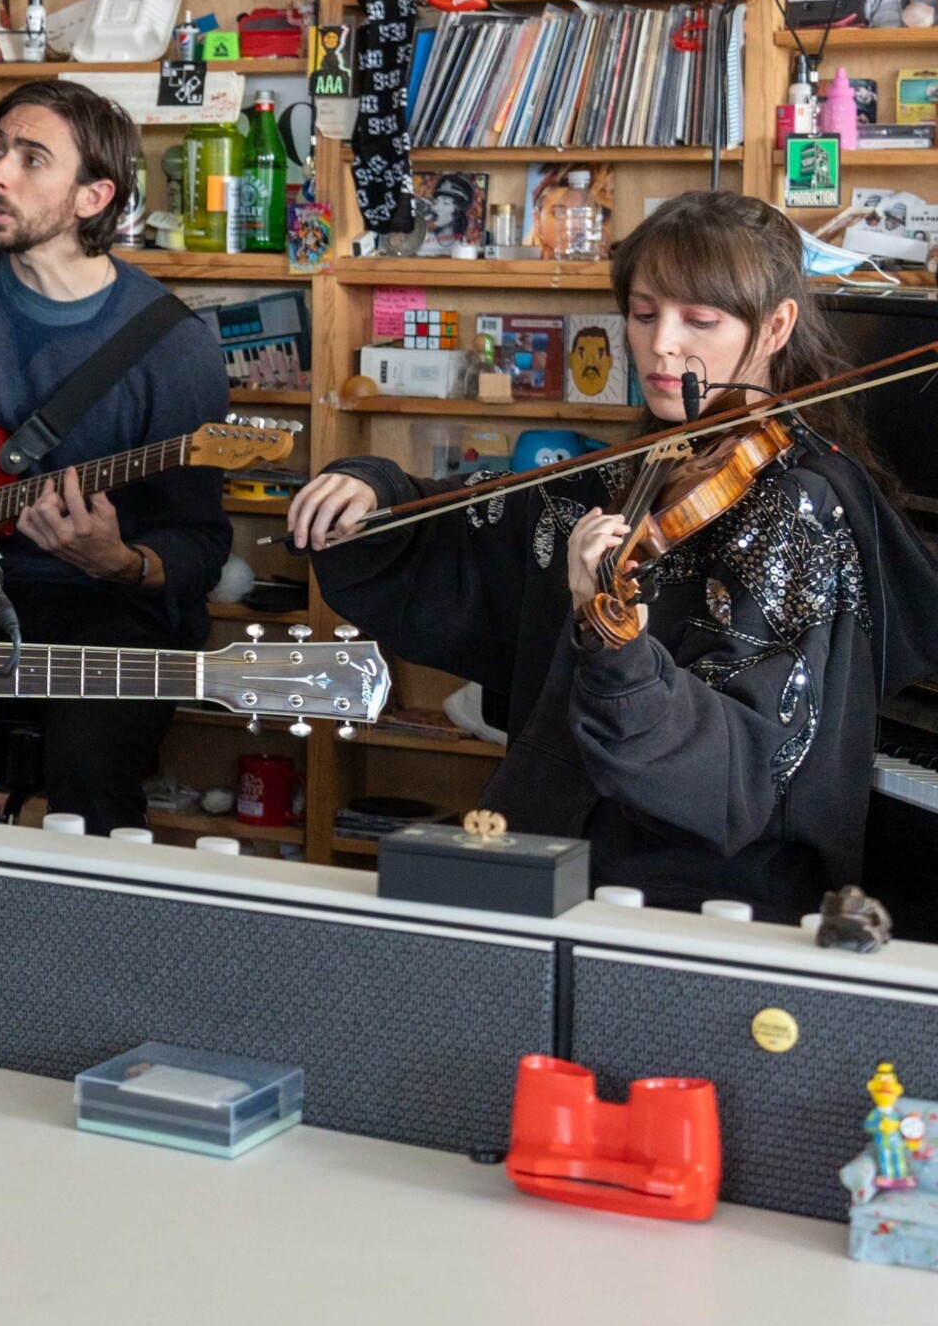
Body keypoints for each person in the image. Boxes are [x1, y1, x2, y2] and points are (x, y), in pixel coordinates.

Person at [287, 192, 938, 920]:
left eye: (700, 320)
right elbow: (473, 522)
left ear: (777, 325)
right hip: (561, 856)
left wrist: (614, 641)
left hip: (703, 894)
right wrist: (372, 489)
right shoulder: (638, 467)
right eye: (643, 312)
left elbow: (738, 776)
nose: (662, 345)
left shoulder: (799, 508)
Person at [0, 80, 231, 829]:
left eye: (32, 159)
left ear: (94, 198)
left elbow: (201, 544)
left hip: (96, 605)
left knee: (92, 772)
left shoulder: (171, 346)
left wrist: (120, 561)